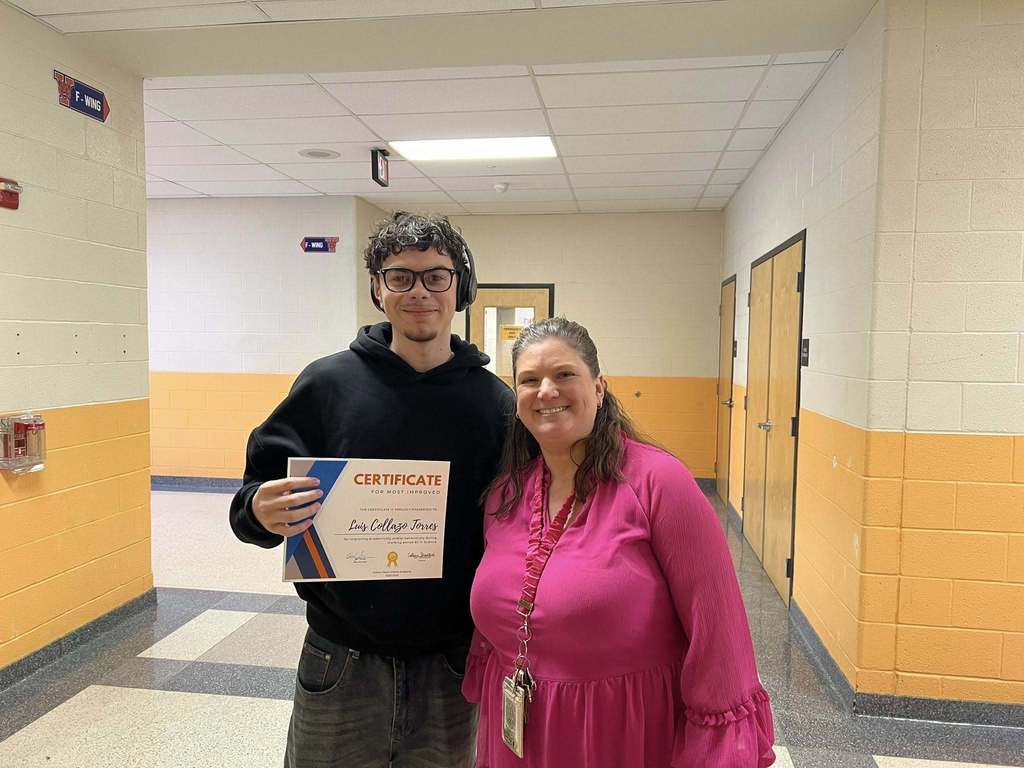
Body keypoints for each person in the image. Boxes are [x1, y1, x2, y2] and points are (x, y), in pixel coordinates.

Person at [229, 211, 514, 768]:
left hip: (452, 663)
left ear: (460, 287)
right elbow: (252, 501)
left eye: (436, 276)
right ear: (377, 289)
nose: (419, 292)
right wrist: (259, 510)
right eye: (400, 276)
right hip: (340, 658)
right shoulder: (327, 385)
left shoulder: (494, 403)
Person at [464, 317, 776, 767]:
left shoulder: (658, 484)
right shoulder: (506, 494)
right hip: (520, 735)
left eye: (564, 374)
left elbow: (719, 638)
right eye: (529, 380)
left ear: (599, 387)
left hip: (622, 735)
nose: (546, 391)